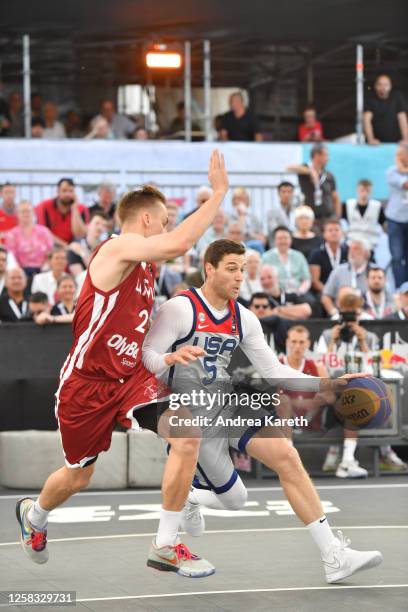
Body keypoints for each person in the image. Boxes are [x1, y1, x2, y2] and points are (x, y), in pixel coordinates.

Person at [15, 150, 229, 579]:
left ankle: (166, 545)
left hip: (129, 378)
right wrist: (218, 194)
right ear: (146, 222)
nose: (167, 227)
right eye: (164, 219)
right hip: (85, 385)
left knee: (187, 433)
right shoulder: (117, 247)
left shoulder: (145, 265)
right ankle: (34, 515)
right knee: (79, 477)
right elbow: (181, 241)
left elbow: (173, 251)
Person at [142, 238, 382, 583]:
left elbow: (274, 371)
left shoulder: (244, 317)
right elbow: (147, 356)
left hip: (227, 401)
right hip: (190, 412)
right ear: (209, 269)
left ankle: (334, 555)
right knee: (236, 500)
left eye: (242, 269)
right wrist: (167, 359)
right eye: (231, 268)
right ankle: (190, 495)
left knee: (286, 454)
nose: (240, 277)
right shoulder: (180, 309)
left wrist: (325, 384)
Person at [288, 144, 341, 224]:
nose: (328, 158)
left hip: (328, 217)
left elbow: (336, 198)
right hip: (311, 219)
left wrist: (337, 217)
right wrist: (310, 172)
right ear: (317, 155)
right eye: (325, 155)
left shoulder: (329, 175)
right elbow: (289, 167)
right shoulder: (305, 169)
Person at [321, 239, 371, 318]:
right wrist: (333, 311)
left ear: (366, 253)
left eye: (356, 249)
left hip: (366, 314)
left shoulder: (375, 272)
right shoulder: (338, 271)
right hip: (341, 314)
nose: (352, 252)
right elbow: (326, 296)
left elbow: (386, 297)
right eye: (350, 249)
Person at [4, 201, 54, 276]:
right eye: (23, 211)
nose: (26, 213)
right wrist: (19, 272)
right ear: (17, 214)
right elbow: (11, 257)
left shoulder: (44, 231)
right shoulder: (11, 234)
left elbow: (51, 252)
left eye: (28, 211)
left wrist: (45, 269)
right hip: (20, 273)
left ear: (33, 212)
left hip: (43, 271)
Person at [36, 178, 89, 246]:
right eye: (64, 191)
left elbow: (80, 234)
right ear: (58, 192)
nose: (67, 194)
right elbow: (43, 232)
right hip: (51, 245)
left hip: (74, 247)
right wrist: (64, 246)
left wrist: (75, 209)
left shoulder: (82, 208)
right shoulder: (44, 206)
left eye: (71, 191)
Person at [262, 226, 311, 296]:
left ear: (291, 240)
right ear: (274, 240)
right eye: (279, 238)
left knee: (312, 302)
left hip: (298, 292)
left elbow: (307, 279)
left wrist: (300, 291)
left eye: (285, 238)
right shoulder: (266, 257)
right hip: (276, 293)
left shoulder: (299, 256)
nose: (283, 241)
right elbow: (263, 280)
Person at [385, 144, 408, 288]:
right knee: (397, 256)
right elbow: (406, 184)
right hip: (395, 220)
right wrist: (401, 168)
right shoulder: (391, 172)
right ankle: (401, 288)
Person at [363, 74, 408, 144]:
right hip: (376, 144)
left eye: (386, 84)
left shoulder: (397, 96)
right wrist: (370, 139)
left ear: (390, 86)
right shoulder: (369, 98)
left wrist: (406, 139)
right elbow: (366, 120)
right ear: (375, 86)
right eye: (380, 84)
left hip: (396, 142)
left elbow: (402, 118)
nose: (383, 87)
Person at [342, 179, 385, 251]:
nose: (364, 193)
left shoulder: (377, 206)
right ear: (357, 190)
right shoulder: (348, 205)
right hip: (351, 241)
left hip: (370, 243)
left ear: (371, 191)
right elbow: (342, 223)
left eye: (367, 191)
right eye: (362, 190)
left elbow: (383, 224)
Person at [309, 219, 348, 294]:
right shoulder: (316, 253)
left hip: (345, 290)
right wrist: (329, 292)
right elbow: (315, 281)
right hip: (324, 291)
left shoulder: (348, 252)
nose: (334, 233)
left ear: (342, 233)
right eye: (330, 230)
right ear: (324, 234)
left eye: (337, 230)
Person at [67, 212, 108, 277]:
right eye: (97, 223)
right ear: (88, 225)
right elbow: (80, 278)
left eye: (104, 225)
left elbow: (101, 275)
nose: (100, 228)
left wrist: (83, 254)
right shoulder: (75, 247)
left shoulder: (107, 249)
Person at [230, 187, 266, 253]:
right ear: (234, 201)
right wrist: (242, 215)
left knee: (257, 244)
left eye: (244, 199)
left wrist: (251, 234)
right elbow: (239, 234)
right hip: (236, 245)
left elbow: (262, 240)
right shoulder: (229, 217)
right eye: (239, 199)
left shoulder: (254, 218)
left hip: (253, 247)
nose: (241, 202)